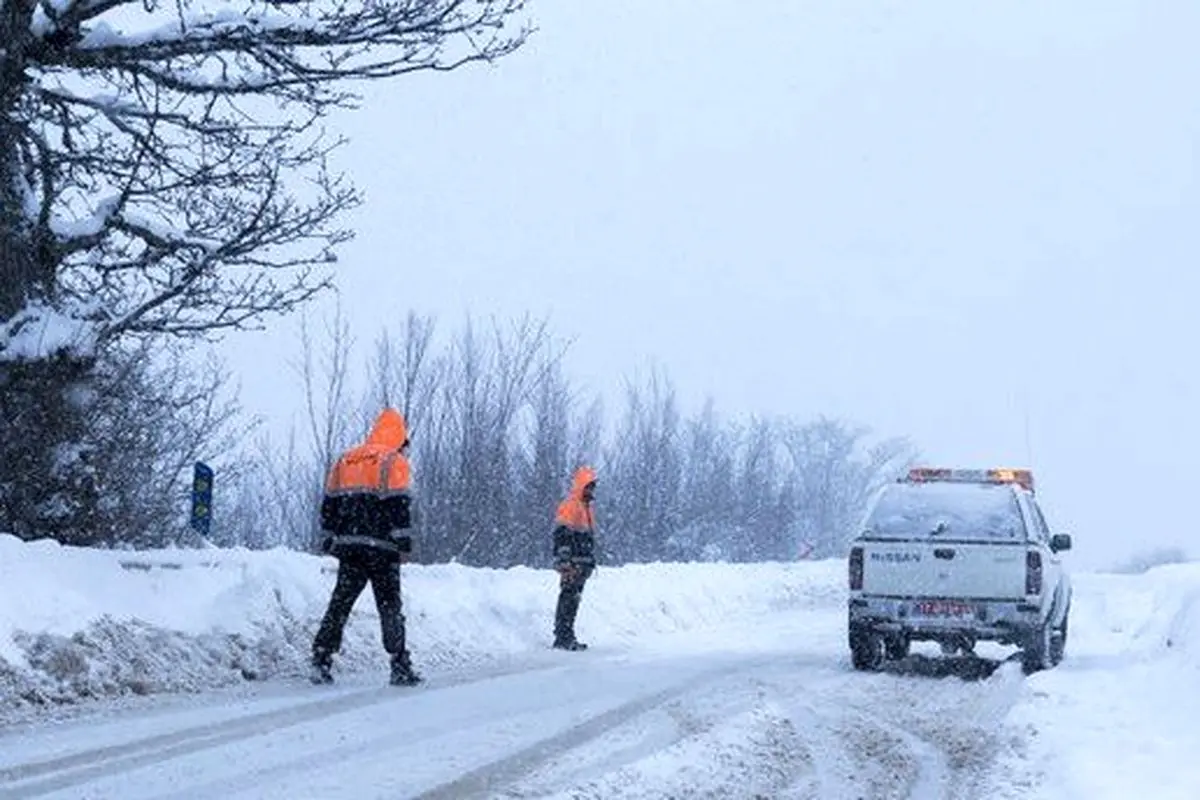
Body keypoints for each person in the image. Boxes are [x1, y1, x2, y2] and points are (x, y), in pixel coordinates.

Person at [311, 408, 422, 687]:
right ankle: (399, 664)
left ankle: (321, 657)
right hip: (382, 548)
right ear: (400, 437)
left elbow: (329, 504)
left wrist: (329, 536)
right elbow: (399, 505)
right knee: (389, 606)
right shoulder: (393, 461)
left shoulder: (346, 458)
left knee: (341, 602)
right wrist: (403, 541)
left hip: (349, 547)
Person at [551, 466, 598, 651]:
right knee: (568, 599)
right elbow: (562, 534)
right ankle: (562, 637)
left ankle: (567, 635)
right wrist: (565, 561)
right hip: (573, 564)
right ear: (581, 485)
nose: (591, 490)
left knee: (573, 600)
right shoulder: (571, 505)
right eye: (589, 486)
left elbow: (586, 537)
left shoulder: (586, 508)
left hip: (582, 564)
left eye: (593, 487)